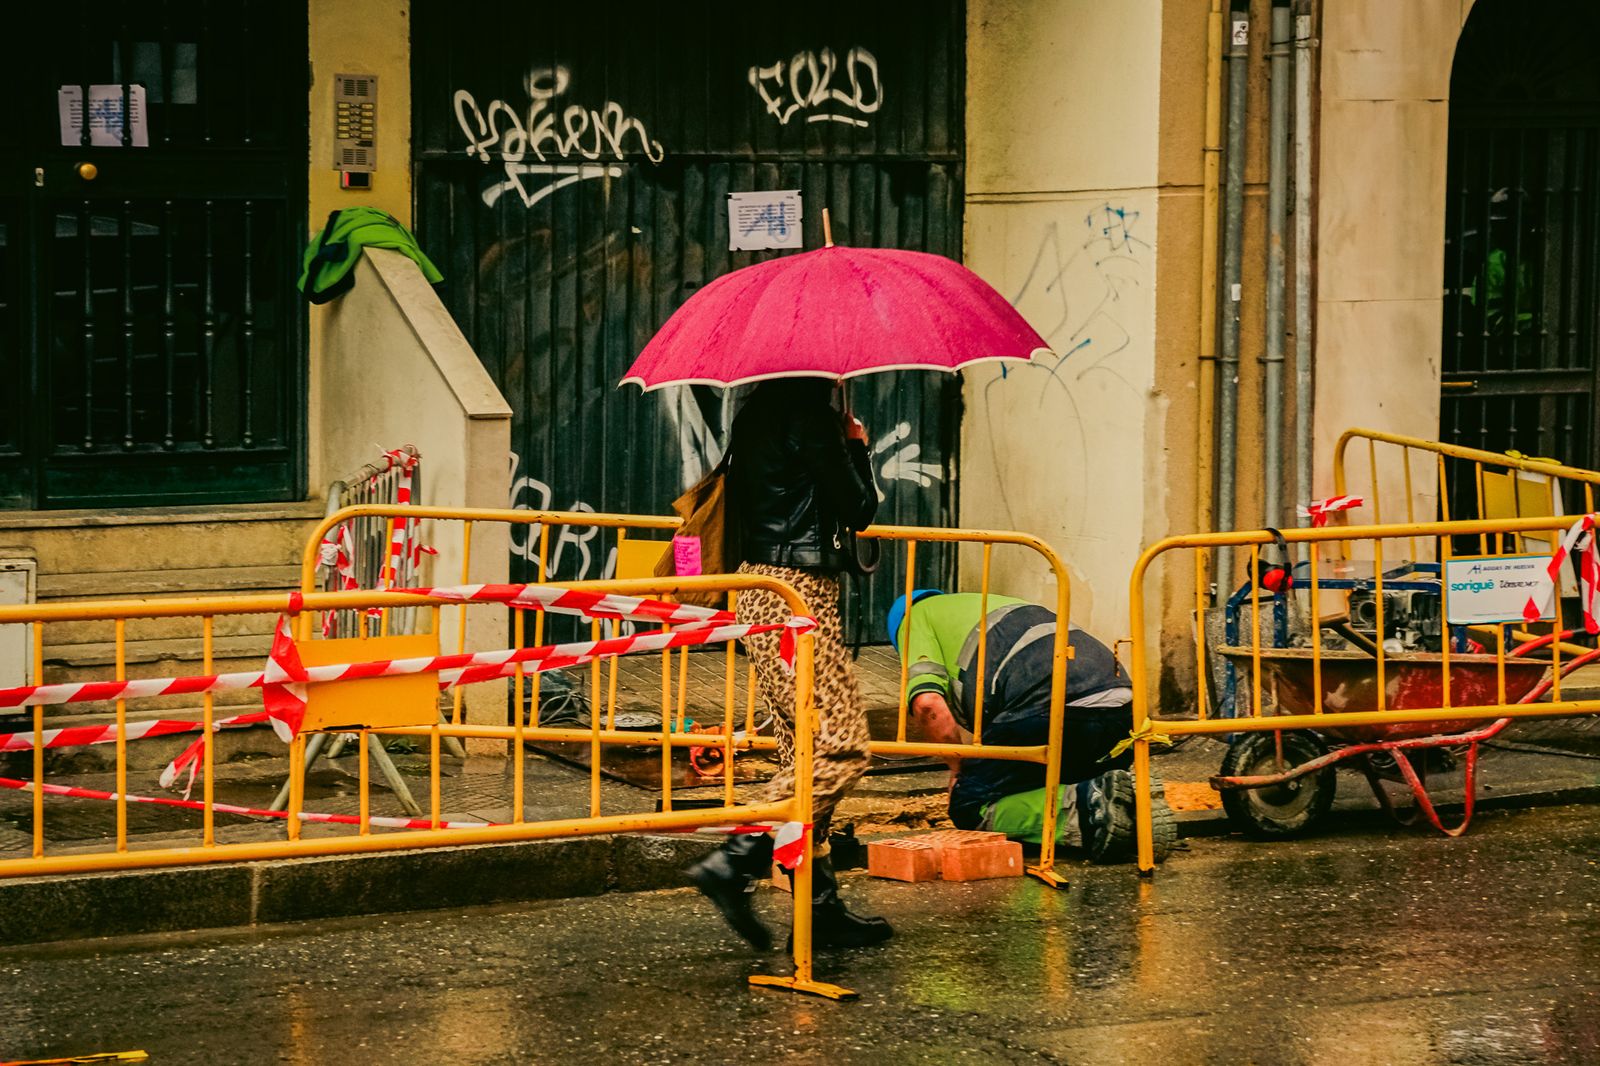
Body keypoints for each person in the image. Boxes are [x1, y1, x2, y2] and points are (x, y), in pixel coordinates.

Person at [686, 378, 891, 950]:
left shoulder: (754, 416)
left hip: (762, 590)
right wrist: (856, 446)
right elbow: (859, 509)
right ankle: (734, 860)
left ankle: (819, 905)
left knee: (804, 750)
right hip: (797, 597)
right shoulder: (812, 420)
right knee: (841, 749)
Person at [887, 589, 1174, 861]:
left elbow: (928, 705)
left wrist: (957, 769)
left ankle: (1090, 808)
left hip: (1052, 709)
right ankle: (1130, 810)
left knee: (971, 805)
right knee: (1043, 776)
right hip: (1124, 710)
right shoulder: (989, 601)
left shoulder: (915, 617)